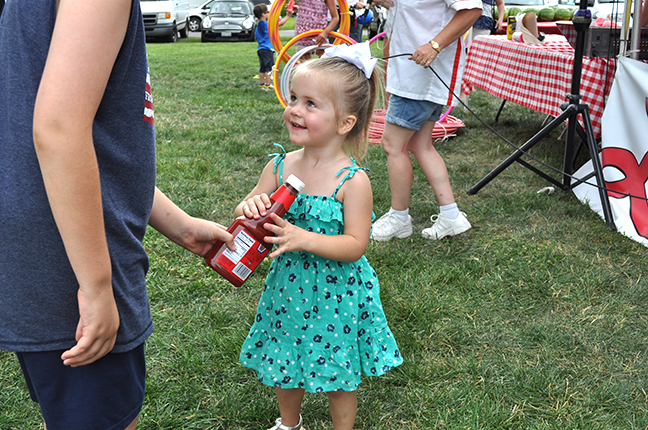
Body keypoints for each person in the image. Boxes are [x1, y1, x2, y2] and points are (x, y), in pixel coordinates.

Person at [0, 1, 234, 429]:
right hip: (74, 259)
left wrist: (181, 227)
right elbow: (58, 130)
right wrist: (95, 285)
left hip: (43, 249)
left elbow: (97, 148)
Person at [235, 43, 402, 430]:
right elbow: (248, 206)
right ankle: (289, 423)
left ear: (345, 122)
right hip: (288, 290)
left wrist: (302, 237)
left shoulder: (352, 181)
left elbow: (355, 244)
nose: (294, 109)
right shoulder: (278, 165)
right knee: (285, 360)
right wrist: (249, 207)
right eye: (293, 98)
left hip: (336, 294)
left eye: (310, 103)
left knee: (338, 372)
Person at [370, 0, 482, 241]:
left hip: (420, 76)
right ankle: (451, 216)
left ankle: (399, 217)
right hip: (414, 74)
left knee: (393, 145)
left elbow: (472, 9)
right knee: (420, 146)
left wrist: (434, 45)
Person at [254, 3, 293, 90]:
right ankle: (268, 85)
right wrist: (288, 16)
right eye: (268, 12)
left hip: (260, 49)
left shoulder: (259, 24)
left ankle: (262, 84)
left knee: (262, 68)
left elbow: (256, 37)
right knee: (270, 68)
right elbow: (280, 24)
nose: (269, 14)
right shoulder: (265, 24)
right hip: (267, 49)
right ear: (263, 14)